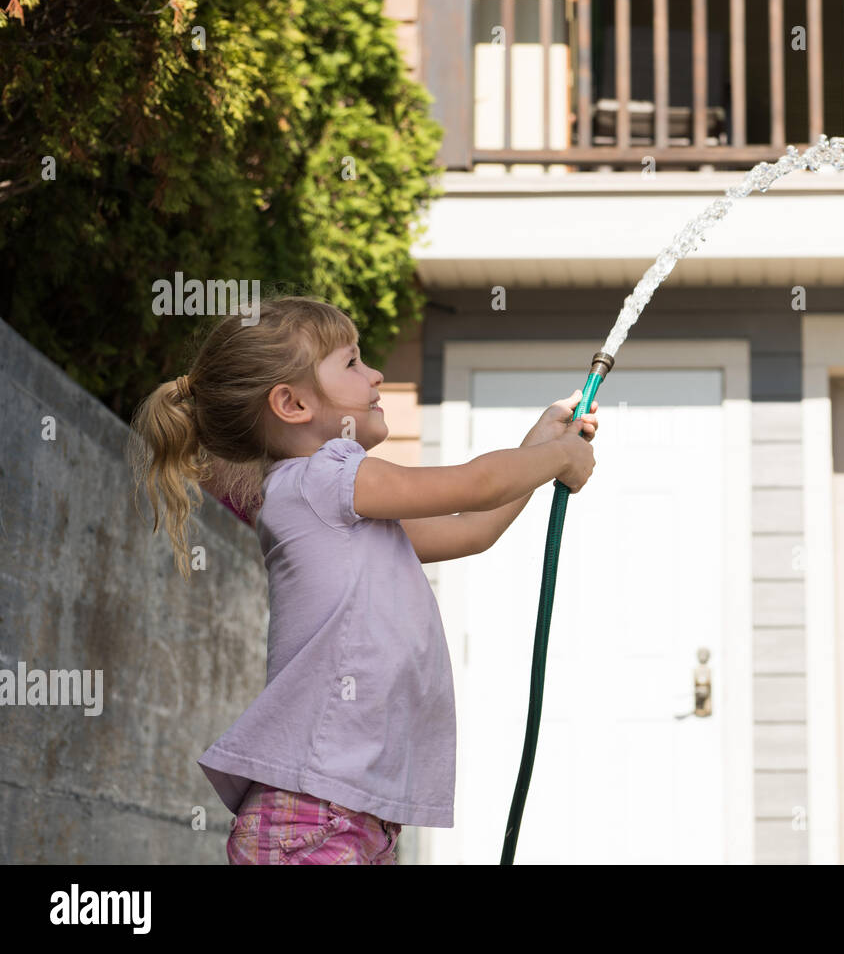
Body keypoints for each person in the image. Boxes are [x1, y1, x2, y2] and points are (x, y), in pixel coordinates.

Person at [126, 296, 597, 863]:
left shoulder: (340, 508)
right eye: (351, 363)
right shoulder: (319, 480)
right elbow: (476, 484)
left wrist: (542, 445)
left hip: (350, 810)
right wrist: (560, 459)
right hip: (316, 810)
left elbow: (473, 528)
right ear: (293, 403)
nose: (375, 374)